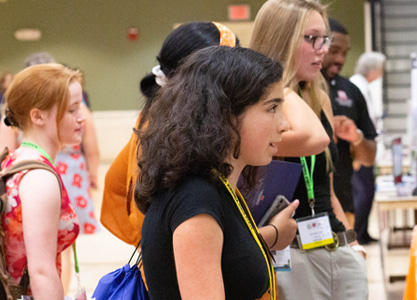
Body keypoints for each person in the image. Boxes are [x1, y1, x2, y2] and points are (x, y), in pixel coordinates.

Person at [102, 21, 318, 250]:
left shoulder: (161, 127)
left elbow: (114, 188)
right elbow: (194, 248)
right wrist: (271, 235)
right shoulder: (193, 184)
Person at [136, 45, 291, 300]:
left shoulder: (215, 186)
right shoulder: (196, 198)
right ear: (226, 114)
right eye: (272, 108)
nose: (285, 125)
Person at [251, 1, 368, 299]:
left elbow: (325, 185)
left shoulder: (318, 96)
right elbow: (314, 137)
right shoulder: (255, 104)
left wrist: (352, 245)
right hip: (290, 254)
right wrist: (280, 83)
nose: (322, 49)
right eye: (312, 38)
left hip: (336, 243)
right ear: (282, 40)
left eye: (324, 39)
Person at [2, 63, 83, 298]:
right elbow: (42, 272)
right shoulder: (39, 178)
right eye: (72, 110)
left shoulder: (15, 160)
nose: (82, 118)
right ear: (37, 116)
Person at [321, 18, 378, 245]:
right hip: (302, 205)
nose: (340, 59)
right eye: (334, 51)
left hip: (343, 200)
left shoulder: (351, 91)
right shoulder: (295, 88)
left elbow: (369, 156)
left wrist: (356, 137)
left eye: (345, 53)